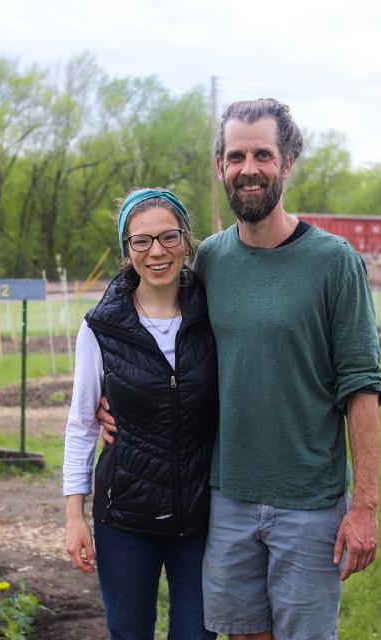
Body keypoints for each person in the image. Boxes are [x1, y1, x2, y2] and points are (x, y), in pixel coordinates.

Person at [100, 99, 381, 639]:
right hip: (227, 497)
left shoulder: (334, 261)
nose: (248, 168)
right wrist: (110, 390)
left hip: (310, 501)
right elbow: (149, 326)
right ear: (220, 167)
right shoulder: (209, 260)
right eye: (236, 155)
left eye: (262, 154)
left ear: (289, 161)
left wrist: (365, 505)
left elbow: (362, 389)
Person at [63, 188, 218, 640]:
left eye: (168, 237)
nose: (157, 252)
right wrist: (75, 516)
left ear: (187, 241)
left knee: (198, 635)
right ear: (127, 249)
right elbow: (81, 424)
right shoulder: (100, 328)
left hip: (202, 516)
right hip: (126, 518)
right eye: (141, 241)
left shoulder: (215, 315)